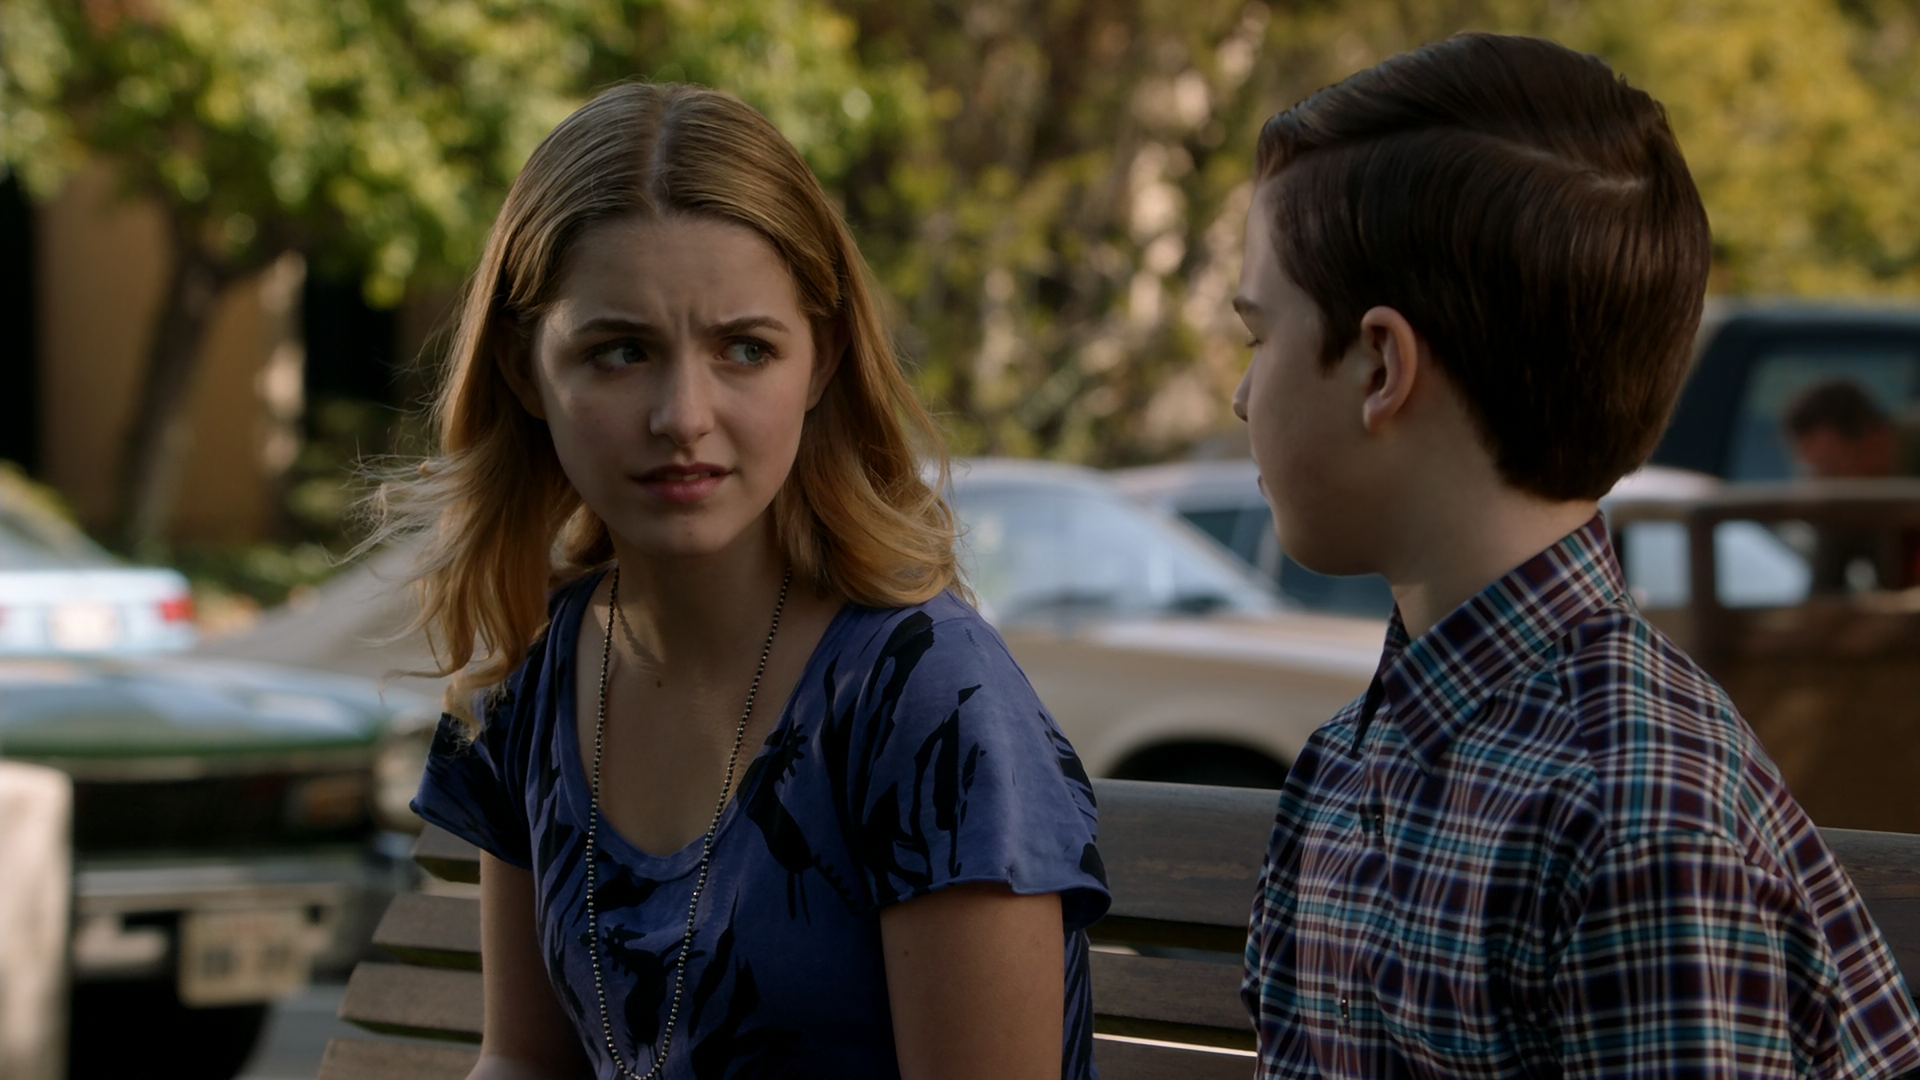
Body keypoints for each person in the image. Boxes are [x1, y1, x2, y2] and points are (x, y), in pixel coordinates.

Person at [383, 83, 1109, 1080]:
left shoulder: (927, 697)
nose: (683, 415)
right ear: (523, 371)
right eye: (620, 351)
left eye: (745, 349)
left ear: (822, 360)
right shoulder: (536, 668)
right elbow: (523, 1062)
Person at [1230, 33, 1920, 1079]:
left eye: (1257, 339)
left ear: (1379, 367)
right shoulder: (1350, 762)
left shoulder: (1640, 813)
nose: (1243, 398)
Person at [1781, 378, 1920, 591]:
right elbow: (1824, 594)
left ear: (1871, 437)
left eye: (1830, 468)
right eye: (1814, 473)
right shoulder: (1850, 504)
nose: (1821, 484)